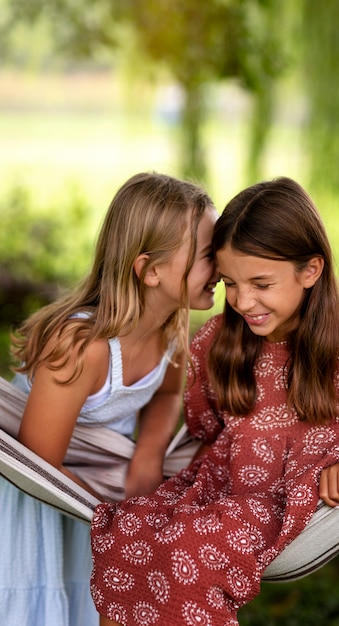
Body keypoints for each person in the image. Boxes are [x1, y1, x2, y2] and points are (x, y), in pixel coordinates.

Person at [90, 176, 339, 626]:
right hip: (217, 496)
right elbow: (204, 431)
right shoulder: (217, 344)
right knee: (124, 538)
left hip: (286, 505)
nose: (244, 301)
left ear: (310, 271)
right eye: (229, 284)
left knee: (187, 554)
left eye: (261, 284)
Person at [0, 172, 218, 626]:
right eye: (207, 256)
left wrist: (148, 454)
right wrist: (121, 514)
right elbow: (38, 467)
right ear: (150, 270)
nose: (221, 267)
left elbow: (164, 396)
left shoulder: (170, 329)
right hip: (42, 491)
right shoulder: (81, 346)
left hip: (92, 488)